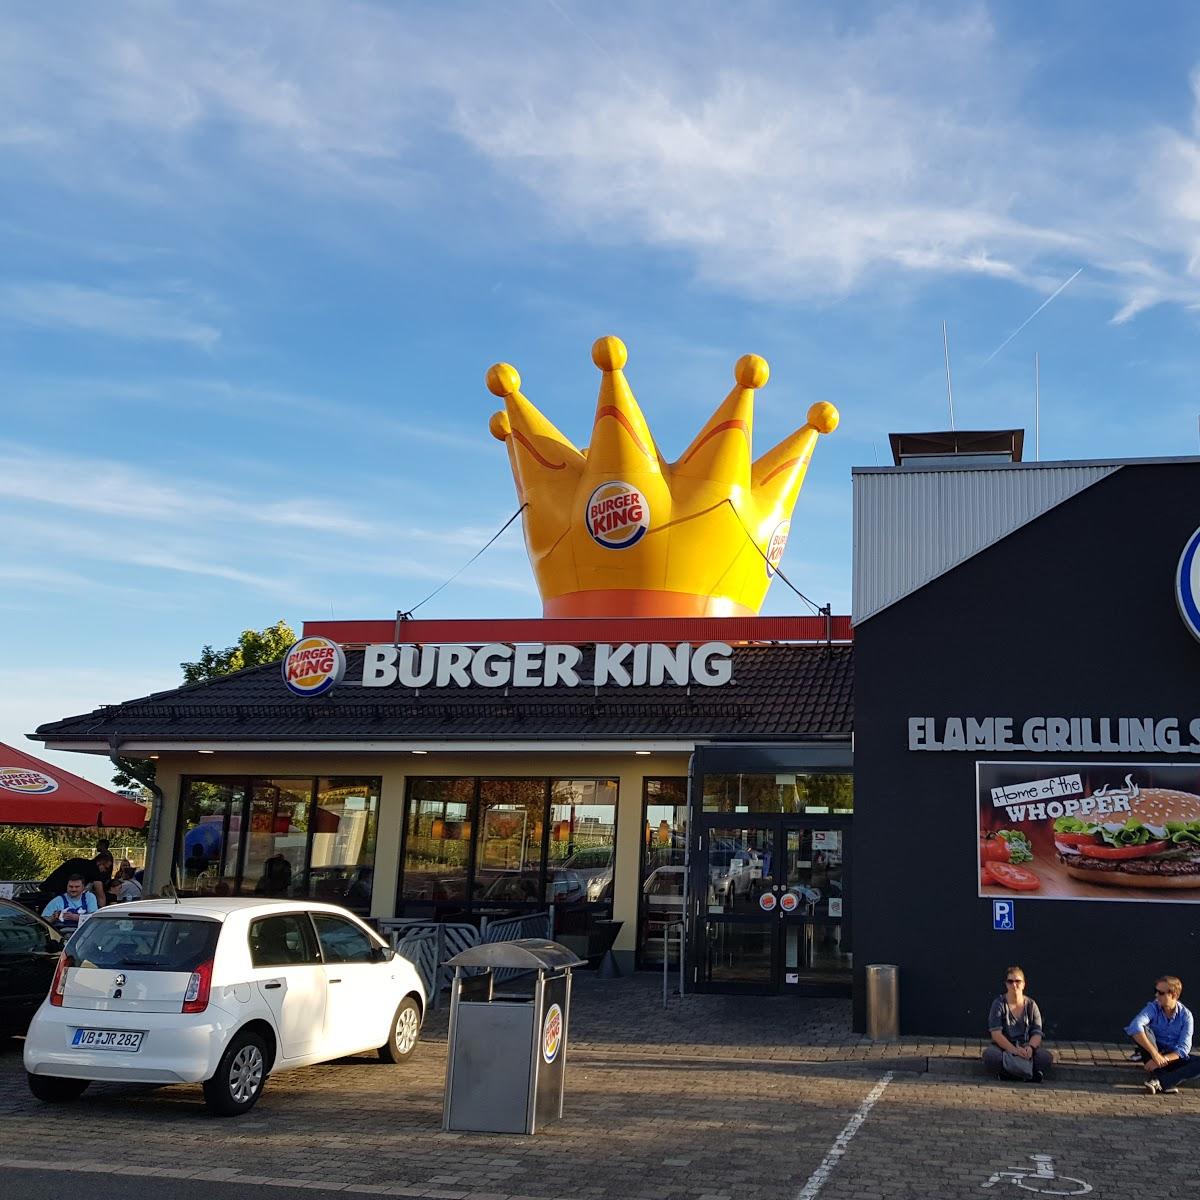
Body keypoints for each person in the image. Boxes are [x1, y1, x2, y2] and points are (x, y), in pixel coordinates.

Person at [1126, 975, 1200, 1095]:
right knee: (1143, 1030)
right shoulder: (1153, 1007)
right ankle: (1166, 1081)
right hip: (1152, 1052)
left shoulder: (1186, 1016)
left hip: (1171, 1057)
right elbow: (1135, 1026)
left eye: (1160, 993)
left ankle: (1161, 1081)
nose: (1156, 995)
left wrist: (1163, 1059)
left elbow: (1184, 1048)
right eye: (1155, 991)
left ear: (1174, 995)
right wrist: (1155, 1055)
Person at [983, 965, 1053, 1082]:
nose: (1014, 985)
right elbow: (996, 1034)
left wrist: (1030, 1048)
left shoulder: (1031, 1005)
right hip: (1004, 1048)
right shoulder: (999, 1004)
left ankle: (1010, 1074)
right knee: (990, 1056)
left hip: (1025, 1046)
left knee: (1045, 1057)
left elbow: (1037, 1033)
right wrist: (1014, 1050)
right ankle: (1028, 1074)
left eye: (1018, 981)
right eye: (1010, 981)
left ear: (1024, 984)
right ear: (1006, 984)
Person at [41, 853, 111, 910]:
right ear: (99, 863)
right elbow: (100, 895)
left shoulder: (78, 861)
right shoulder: (94, 870)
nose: (105, 871)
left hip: (47, 889)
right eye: (106, 868)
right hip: (57, 893)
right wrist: (101, 912)